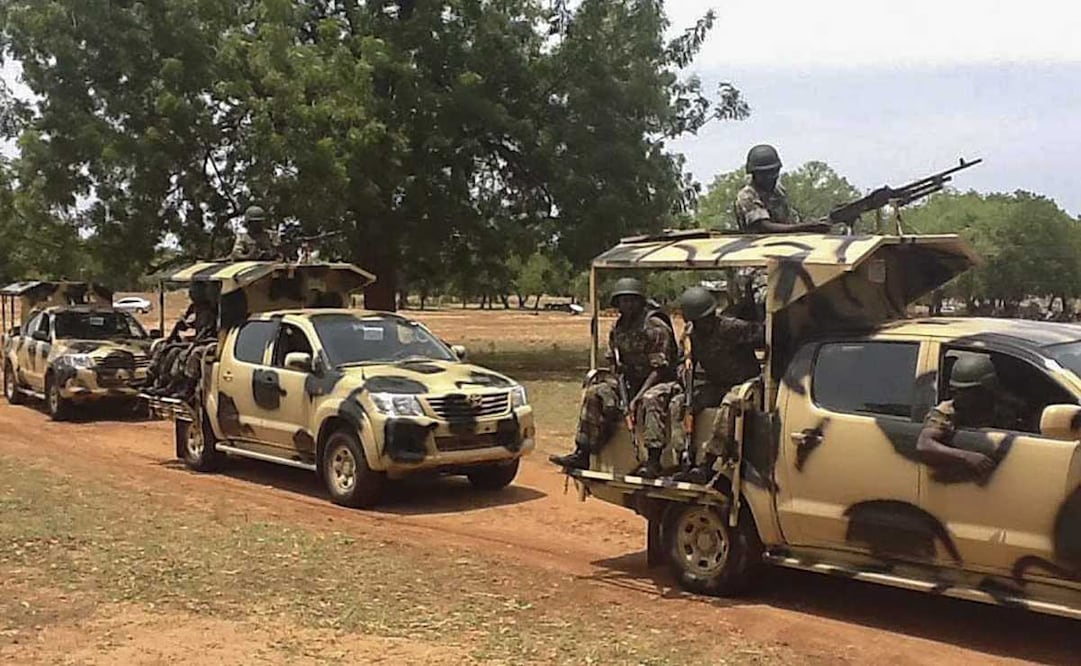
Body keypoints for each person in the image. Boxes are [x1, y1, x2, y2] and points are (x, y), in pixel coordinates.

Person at [549, 277, 677, 475]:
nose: (628, 305)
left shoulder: (655, 326)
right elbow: (614, 361)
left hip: (659, 380)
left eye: (632, 300)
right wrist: (617, 387)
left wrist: (636, 398)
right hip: (629, 381)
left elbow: (659, 368)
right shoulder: (618, 328)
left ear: (640, 301)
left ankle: (653, 460)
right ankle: (583, 452)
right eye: (623, 301)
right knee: (595, 393)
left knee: (650, 399)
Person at [642, 285, 765, 483]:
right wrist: (685, 372)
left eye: (707, 319)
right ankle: (683, 459)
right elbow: (684, 360)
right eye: (699, 321)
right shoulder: (692, 334)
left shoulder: (731, 327)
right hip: (715, 384)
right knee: (679, 403)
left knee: (730, 404)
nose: (704, 325)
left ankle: (708, 462)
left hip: (744, 384)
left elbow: (765, 335)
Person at [916, 354, 1025, 476]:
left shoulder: (1005, 405)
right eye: (956, 390)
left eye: (967, 391)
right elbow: (924, 444)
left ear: (985, 390)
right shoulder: (947, 410)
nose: (958, 395)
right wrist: (967, 456)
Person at [735, 144, 830, 234]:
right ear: (754, 173)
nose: (771, 177)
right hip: (757, 247)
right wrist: (805, 227)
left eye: (774, 171)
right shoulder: (747, 195)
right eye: (765, 173)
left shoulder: (778, 191)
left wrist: (820, 222)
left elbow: (791, 220)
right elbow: (764, 227)